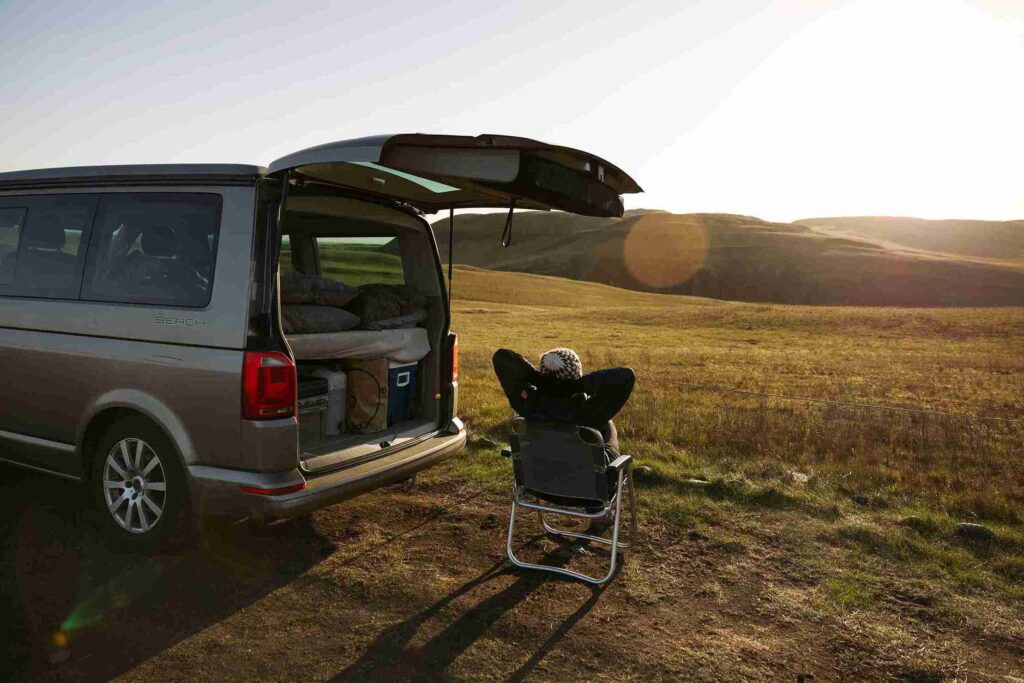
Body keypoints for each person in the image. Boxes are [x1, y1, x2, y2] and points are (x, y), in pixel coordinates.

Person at [492, 347, 635, 454]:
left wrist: (540, 380)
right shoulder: (586, 412)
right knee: (608, 424)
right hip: (586, 485)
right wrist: (575, 386)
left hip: (540, 481)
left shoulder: (528, 405)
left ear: (543, 374)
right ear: (575, 374)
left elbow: (501, 357)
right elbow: (625, 376)